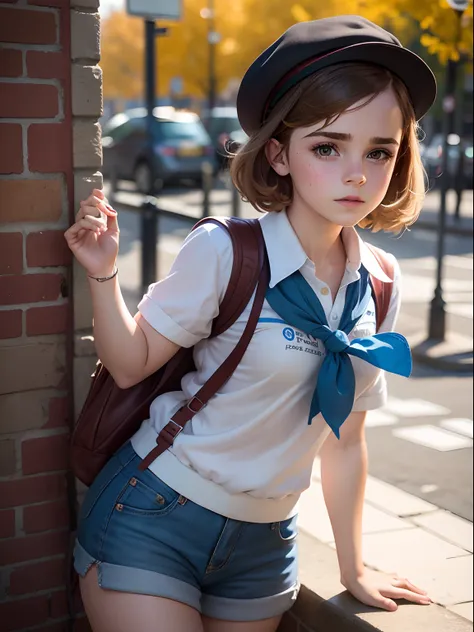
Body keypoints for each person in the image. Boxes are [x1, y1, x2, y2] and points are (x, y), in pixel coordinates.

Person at [65, 15, 437, 632]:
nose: (356, 173)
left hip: (265, 545)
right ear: (278, 153)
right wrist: (103, 275)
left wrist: (354, 568)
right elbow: (130, 363)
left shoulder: (379, 281)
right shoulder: (226, 250)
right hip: (153, 512)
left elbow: (345, 442)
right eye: (327, 146)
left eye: (380, 151)